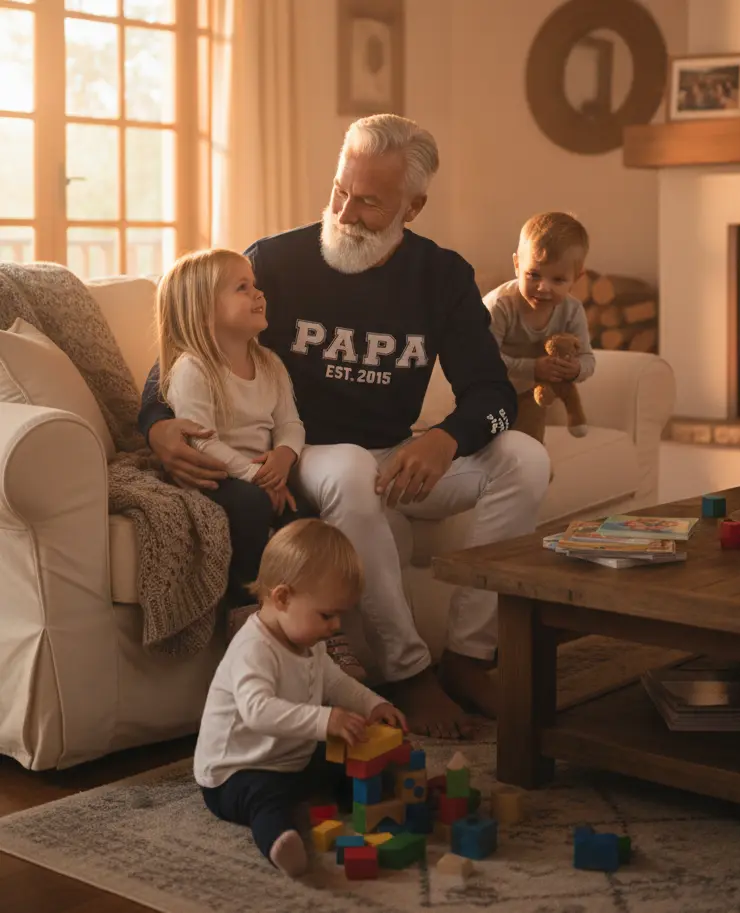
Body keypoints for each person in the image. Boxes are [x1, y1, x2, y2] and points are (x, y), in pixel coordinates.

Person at [139, 114, 552, 735]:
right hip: (311, 452)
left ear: (413, 207)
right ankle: (411, 674)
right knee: (355, 466)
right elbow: (183, 349)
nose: (345, 211)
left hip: (403, 458)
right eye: (340, 190)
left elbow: (493, 393)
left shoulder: (442, 276)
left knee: (525, 457)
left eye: (369, 202)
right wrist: (156, 424)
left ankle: (470, 658)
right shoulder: (276, 261)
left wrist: (446, 440)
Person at [194, 519, 407, 878]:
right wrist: (326, 720)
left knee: (344, 750)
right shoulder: (253, 649)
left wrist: (373, 704)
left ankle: (361, 796)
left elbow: (336, 682)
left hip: (289, 758)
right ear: (282, 598)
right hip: (236, 773)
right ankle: (280, 841)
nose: (336, 626)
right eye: (327, 615)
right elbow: (258, 711)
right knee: (266, 799)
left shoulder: (309, 642)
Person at [155, 247, 315, 610]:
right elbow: (200, 443)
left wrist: (285, 456)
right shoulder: (193, 369)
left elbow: (290, 422)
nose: (259, 294)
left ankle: (298, 610)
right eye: (242, 287)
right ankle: (243, 609)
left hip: (260, 475)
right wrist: (255, 475)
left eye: (255, 285)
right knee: (251, 505)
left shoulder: (270, 363)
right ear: (203, 308)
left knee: (303, 514)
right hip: (215, 476)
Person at [484, 211, 596, 437]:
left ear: (576, 278)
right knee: (487, 437)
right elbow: (483, 360)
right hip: (486, 389)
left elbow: (588, 359)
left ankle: (535, 466)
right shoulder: (499, 306)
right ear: (517, 265)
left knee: (530, 437)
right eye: (533, 275)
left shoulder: (572, 311)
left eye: (558, 280)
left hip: (531, 392)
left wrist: (576, 370)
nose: (543, 287)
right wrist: (532, 367)